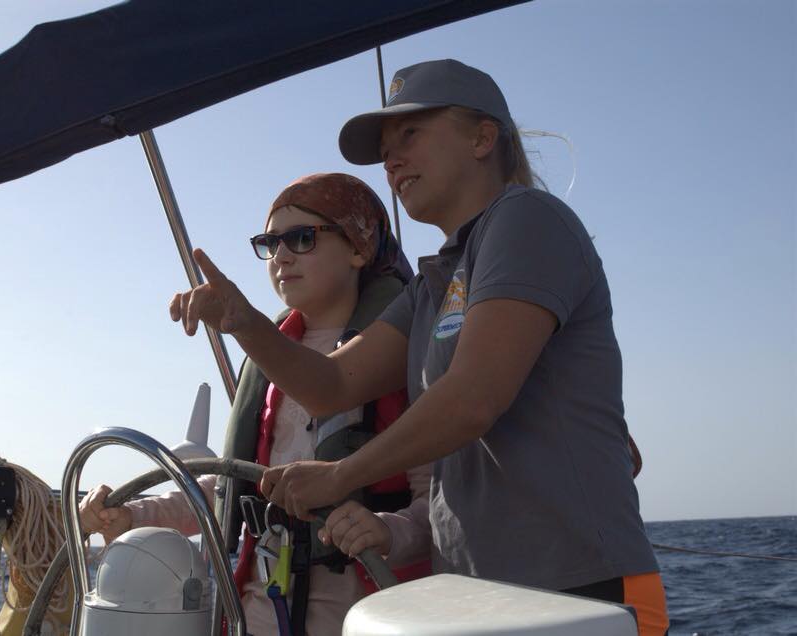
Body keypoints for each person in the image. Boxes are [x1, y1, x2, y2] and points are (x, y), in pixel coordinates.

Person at [169, 60, 670, 634]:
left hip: (581, 590)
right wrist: (245, 323)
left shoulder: (528, 219)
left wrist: (340, 475)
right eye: (386, 150)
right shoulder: (434, 284)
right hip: (474, 597)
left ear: (483, 138)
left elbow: (473, 398)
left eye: (410, 134)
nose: (391, 160)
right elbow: (331, 385)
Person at [82, 172, 431, 635]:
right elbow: (234, 486)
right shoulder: (269, 363)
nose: (281, 255)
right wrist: (133, 515)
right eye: (270, 242)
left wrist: (387, 530)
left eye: (302, 238)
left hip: (366, 617)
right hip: (258, 613)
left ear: (358, 248)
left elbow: (439, 505)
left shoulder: (402, 356)